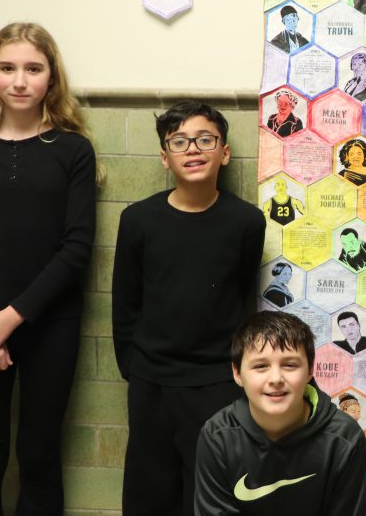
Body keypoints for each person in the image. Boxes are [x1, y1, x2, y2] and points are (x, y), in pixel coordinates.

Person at [113, 101, 266, 516]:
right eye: (179, 141)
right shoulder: (138, 220)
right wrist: (134, 365)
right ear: (165, 157)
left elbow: (242, 299)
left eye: (205, 139)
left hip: (216, 381)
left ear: (225, 152)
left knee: (209, 493)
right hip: (152, 382)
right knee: (149, 492)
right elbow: (125, 302)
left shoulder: (246, 222)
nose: (193, 149)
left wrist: (234, 372)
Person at [0, 23, 98, 515]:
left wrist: (13, 317)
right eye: (7, 68)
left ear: (51, 77)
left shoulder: (72, 150)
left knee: (39, 455)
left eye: (32, 68)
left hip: (50, 324)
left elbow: (76, 248)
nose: (19, 81)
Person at [194, 311, 366, 515]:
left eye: (289, 365)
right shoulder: (217, 436)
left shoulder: (345, 438)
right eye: (260, 366)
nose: (276, 378)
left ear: (310, 369)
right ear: (237, 373)